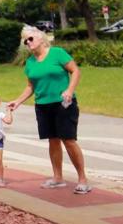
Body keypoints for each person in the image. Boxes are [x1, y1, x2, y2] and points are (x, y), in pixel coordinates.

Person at [7, 25, 91, 194]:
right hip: (43, 105)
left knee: (68, 140)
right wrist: (18, 101)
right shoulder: (30, 63)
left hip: (63, 104)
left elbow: (75, 71)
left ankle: (83, 179)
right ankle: (57, 178)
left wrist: (69, 90)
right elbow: (31, 86)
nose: (28, 43)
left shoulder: (57, 53)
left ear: (41, 38)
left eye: (30, 39)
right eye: (25, 41)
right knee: (52, 140)